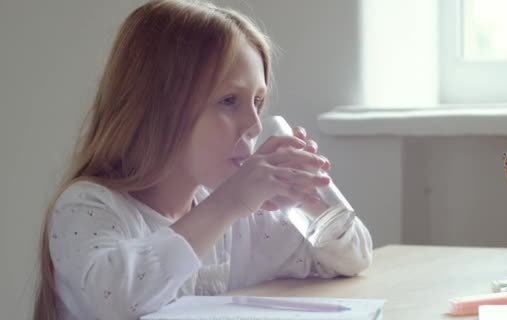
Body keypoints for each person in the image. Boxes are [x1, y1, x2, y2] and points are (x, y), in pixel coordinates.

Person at [33, 1, 372, 319]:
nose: (254, 125)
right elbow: (116, 300)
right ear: (157, 109)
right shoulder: (88, 207)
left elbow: (354, 257)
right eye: (228, 101)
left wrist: (311, 198)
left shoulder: (242, 219)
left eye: (258, 100)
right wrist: (226, 205)